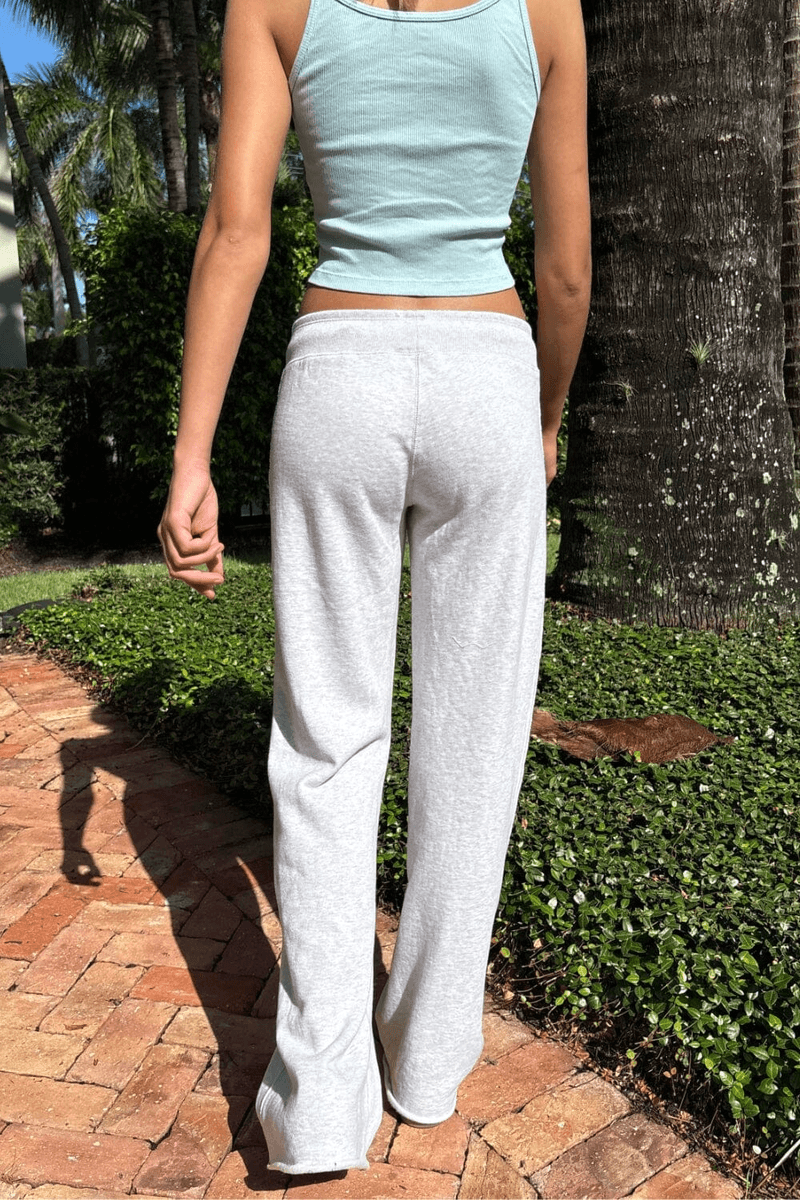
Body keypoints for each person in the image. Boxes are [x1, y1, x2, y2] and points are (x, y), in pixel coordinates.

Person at [158, 0, 590, 1176]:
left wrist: (191, 458)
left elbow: (236, 232)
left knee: (324, 742)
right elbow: (562, 272)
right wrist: (544, 415)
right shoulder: (545, 9)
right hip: (486, 371)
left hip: (336, 374)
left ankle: (315, 1107)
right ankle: (427, 1060)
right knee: (473, 737)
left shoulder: (271, 5)